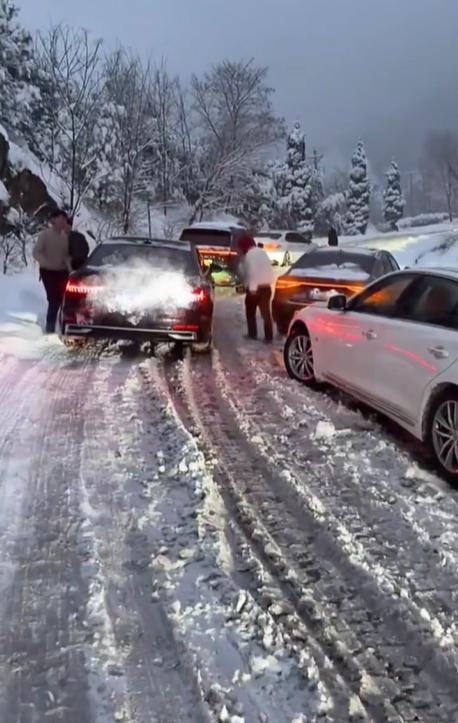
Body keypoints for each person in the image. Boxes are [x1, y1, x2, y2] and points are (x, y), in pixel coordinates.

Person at [33, 209, 71, 333]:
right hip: (48, 272)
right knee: (54, 300)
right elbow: (36, 252)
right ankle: (49, 330)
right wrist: (45, 262)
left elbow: (66, 255)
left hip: (62, 272)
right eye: (60, 220)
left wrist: (70, 268)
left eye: (64, 220)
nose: (62, 223)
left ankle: (60, 326)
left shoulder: (65, 236)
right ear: (54, 220)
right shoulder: (45, 234)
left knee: (63, 300)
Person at [237, 233, 275, 343]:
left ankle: (252, 334)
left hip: (256, 288)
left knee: (250, 311)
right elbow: (269, 268)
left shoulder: (249, 255)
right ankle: (269, 336)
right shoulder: (262, 252)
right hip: (267, 287)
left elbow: (252, 272)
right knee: (266, 313)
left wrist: (252, 288)